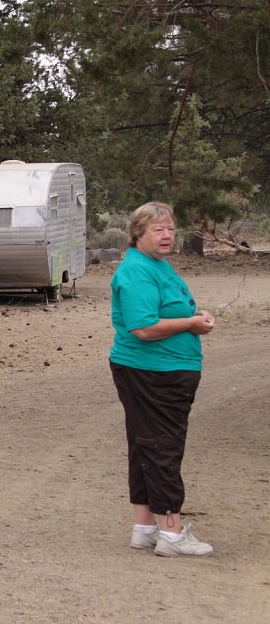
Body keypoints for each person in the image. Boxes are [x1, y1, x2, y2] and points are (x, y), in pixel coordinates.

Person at [110, 202, 215, 557]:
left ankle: (145, 528)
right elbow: (142, 327)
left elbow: (169, 309)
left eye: (170, 228)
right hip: (153, 372)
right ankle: (171, 532)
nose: (167, 235)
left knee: (145, 444)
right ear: (138, 234)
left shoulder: (156, 265)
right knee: (162, 446)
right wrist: (191, 324)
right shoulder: (137, 271)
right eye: (158, 229)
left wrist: (195, 315)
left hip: (161, 370)